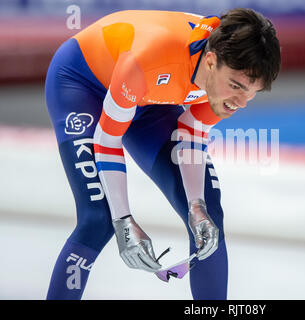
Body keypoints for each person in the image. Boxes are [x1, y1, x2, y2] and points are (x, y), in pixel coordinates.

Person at [45, 7, 281, 300]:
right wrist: (123, 220)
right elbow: (107, 139)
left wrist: (196, 206)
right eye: (236, 87)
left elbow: (192, 131)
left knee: (209, 217)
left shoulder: (228, 84)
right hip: (84, 85)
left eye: (251, 93)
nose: (240, 103)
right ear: (210, 62)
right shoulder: (149, 59)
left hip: (151, 96)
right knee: (98, 219)